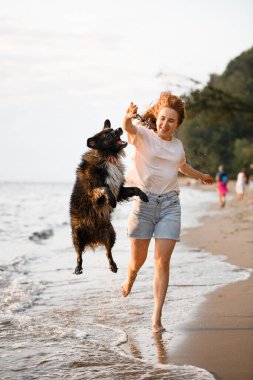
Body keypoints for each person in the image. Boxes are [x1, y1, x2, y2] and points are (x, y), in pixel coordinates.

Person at [121, 92, 213, 333]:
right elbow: (128, 127)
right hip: (143, 206)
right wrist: (127, 118)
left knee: (162, 261)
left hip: (170, 206)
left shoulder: (178, 146)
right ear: (157, 118)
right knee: (136, 262)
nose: (165, 124)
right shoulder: (143, 135)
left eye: (171, 121)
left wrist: (201, 175)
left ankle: (156, 318)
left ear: (177, 124)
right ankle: (130, 278)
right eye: (162, 119)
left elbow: (182, 166)